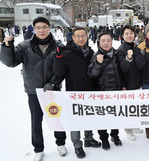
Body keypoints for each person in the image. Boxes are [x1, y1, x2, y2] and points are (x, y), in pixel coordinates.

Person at [0, 17, 67, 161]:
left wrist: (54, 83)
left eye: (44, 27)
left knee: (57, 118)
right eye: (38, 27)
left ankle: (61, 143)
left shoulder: (59, 46)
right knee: (36, 121)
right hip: (34, 91)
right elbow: (10, 62)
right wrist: (6, 47)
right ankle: (38, 148)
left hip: (52, 90)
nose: (41, 30)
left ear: (49, 28)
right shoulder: (25, 46)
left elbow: (62, 70)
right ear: (34, 29)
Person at [53, 27, 101, 159]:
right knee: (75, 119)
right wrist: (58, 57)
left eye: (83, 36)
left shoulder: (90, 53)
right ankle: (77, 144)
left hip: (90, 91)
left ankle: (89, 138)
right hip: (74, 93)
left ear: (87, 37)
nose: (80, 39)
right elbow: (58, 72)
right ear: (72, 37)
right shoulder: (67, 54)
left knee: (89, 116)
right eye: (77, 36)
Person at [87, 32, 124, 150]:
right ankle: (104, 138)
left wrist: (123, 85)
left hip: (116, 92)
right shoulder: (95, 55)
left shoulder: (117, 54)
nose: (106, 43)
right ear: (99, 42)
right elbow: (91, 74)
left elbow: (122, 72)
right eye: (103, 40)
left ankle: (115, 135)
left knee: (116, 116)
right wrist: (98, 63)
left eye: (108, 40)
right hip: (102, 93)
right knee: (102, 118)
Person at [116, 24, 142, 141]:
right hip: (127, 83)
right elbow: (122, 69)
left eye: (131, 33)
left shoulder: (135, 47)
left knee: (135, 106)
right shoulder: (121, 49)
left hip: (136, 81)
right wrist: (128, 58)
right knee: (127, 108)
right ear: (122, 35)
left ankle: (134, 124)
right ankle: (128, 129)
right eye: (126, 34)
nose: (129, 36)